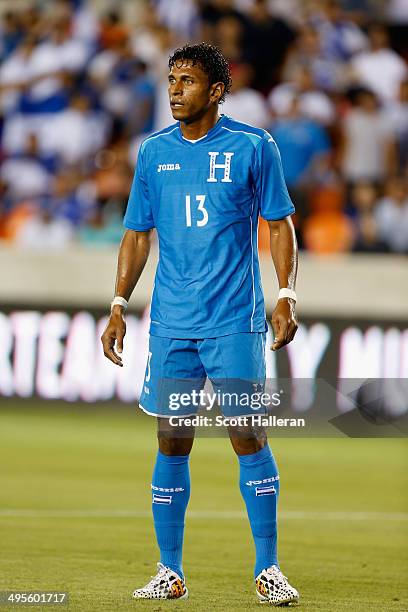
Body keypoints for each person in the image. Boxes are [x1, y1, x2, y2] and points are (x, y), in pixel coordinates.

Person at [101, 42, 299, 606]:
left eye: (186, 81)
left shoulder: (253, 146)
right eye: (170, 80)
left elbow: (280, 223)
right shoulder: (153, 152)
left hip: (234, 321)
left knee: (247, 436)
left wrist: (285, 293)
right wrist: (117, 304)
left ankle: (268, 568)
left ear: (215, 90)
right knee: (171, 442)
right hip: (171, 325)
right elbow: (138, 233)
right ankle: (170, 571)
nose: (173, 91)